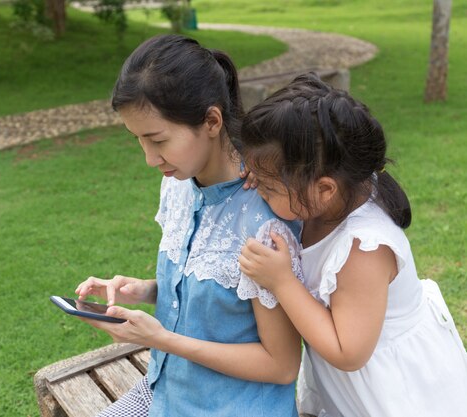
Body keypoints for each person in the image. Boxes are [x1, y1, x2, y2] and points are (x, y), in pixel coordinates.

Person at [75, 34, 304, 417]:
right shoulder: (179, 184)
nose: (150, 159)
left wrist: (163, 339)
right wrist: (142, 290)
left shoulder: (263, 222)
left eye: (157, 140)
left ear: (212, 121)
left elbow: (281, 366)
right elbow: (215, 296)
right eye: (138, 141)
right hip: (166, 392)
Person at [238, 72, 467, 417]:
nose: (259, 190)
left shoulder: (364, 250)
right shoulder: (332, 190)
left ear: (324, 189)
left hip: (394, 394)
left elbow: (348, 352)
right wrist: (265, 169)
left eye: (269, 188)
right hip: (356, 383)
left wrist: (282, 282)